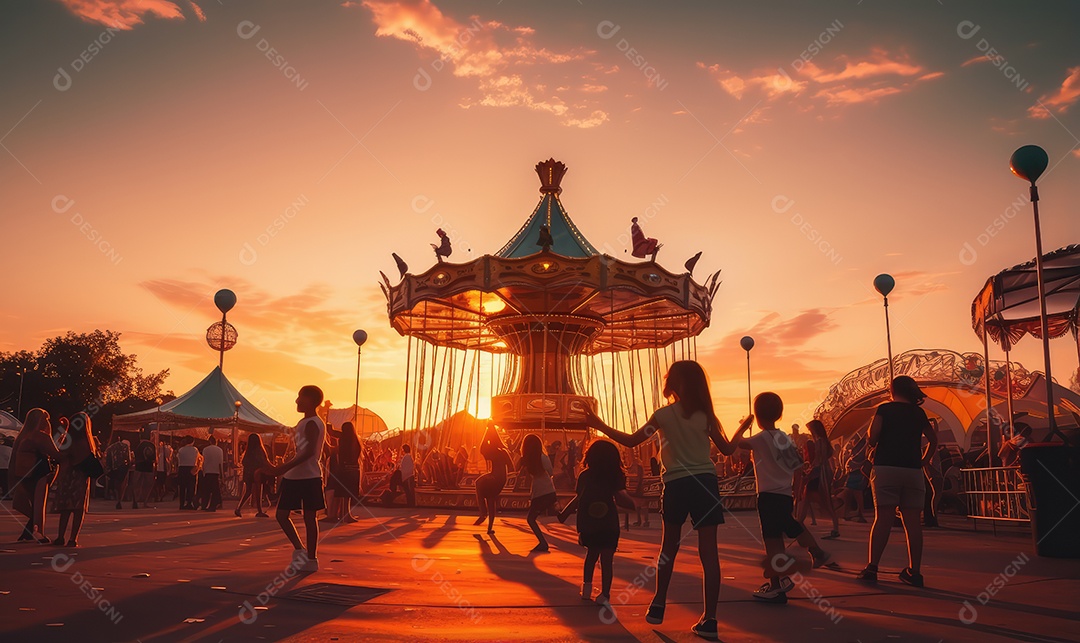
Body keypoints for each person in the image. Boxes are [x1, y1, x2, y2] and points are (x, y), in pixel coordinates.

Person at [584, 360, 749, 641]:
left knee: (668, 548)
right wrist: (742, 427)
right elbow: (728, 449)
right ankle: (710, 619)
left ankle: (659, 601)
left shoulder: (662, 415)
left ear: (672, 383)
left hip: (676, 483)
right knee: (709, 554)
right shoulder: (705, 415)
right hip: (705, 484)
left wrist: (599, 424)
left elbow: (631, 440)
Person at [728, 393, 832, 604]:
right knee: (786, 531)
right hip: (783, 494)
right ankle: (780, 581)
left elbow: (734, 443)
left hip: (767, 495)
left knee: (772, 539)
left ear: (757, 416)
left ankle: (785, 578)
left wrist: (742, 425)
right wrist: (795, 489)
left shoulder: (761, 438)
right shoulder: (784, 437)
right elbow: (798, 467)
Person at [857, 376, 938, 588]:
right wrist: (924, 460)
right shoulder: (919, 413)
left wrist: (872, 433)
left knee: (883, 519)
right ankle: (915, 572)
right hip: (912, 470)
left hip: (886, 468)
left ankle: (872, 568)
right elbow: (933, 440)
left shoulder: (885, 409)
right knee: (912, 523)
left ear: (892, 390)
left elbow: (872, 438)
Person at [559, 440, 634, 606]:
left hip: (589, 523)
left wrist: (564, 514)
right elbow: (620, 497)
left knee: (591, 556)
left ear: (590, 456)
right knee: (607, 560)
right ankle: (605, 594)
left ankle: (586, 588)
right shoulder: (615, 476)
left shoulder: (585, 476)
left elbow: (578, 498)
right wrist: (633, 504)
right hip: (609, 523)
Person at [260, 385, 326, 573]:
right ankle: (301, 551)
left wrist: (280, 469)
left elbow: (309, 452)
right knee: (284, 515)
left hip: (306, 476)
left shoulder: (312, 422)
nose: (297, 401)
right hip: (298, 475)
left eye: (300, 397)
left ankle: (311, 558)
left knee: (308, 517)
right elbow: (308, 451)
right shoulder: (306, 423)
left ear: (312, 400)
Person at [12, 409, 60, 543]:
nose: (47, 422)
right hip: (39, 472)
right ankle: (39, 532)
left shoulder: (22, 436)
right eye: (45, 419)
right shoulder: (42, 436)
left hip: (22, 474)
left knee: (32, 505)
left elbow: (13, 460)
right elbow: (56, 454)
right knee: (39, 505)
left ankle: (28, 532)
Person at [53, 412, 99, 547]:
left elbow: (62, 459)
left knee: (65, 509)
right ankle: (73, 538)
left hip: (68, 476)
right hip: (82, 477)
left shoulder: (68, 441)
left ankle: (60, 536)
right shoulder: (88, 443)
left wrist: (58, 478)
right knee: (78, 509)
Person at [796, 420, 841, 540]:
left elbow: (819, 459)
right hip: (823, 472)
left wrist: (810, 470)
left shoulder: (820, 442)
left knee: (817, 498)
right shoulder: (824, 441)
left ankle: (799, 523)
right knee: (810, 497)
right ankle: (799, 522)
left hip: (819, 473)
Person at [518, 434, 557, 553]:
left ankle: (543, 542)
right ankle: (543, 541)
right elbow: (550, 472)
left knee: (531, 519)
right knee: (534, 517)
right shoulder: (542, 458)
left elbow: (518, 472)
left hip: (540, 493)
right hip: (548, 490)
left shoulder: (528, 459)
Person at [474, 423, 513, 535]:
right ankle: (489, 528)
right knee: (490, 497)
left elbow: (482, 448)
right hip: (501, 478)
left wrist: (487, 431)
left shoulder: (492, 451)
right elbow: (511, 467)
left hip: (495, 477)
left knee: (478, 483)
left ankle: (482, 513)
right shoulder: (503, 451)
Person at [327, 421, 361, 522]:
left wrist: (326, 443)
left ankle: (334, 514)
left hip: (344, 469)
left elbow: (335, 450)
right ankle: (346, 514)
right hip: (354, 470)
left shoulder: (344, 440)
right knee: (347, 495)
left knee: (339, 493)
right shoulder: (356, 441)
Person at [236, 433, 270, 518]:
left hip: (248, 474)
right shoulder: (259, 450)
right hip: (257, 473)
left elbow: (244, 462)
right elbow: (264, 462)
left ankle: (238, 508)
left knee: (248, 492)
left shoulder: (248, 452)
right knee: (258, 492)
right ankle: (259, 511)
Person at [837, 435, 869, 523]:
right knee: (851, 494)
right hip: (853, 473)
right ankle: (848, 513)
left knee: (856, 494)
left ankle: (859, 514)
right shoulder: (855, 451)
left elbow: (859, 459)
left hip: (857, 473)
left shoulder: (859, 452)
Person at [103, 435, 132, 510]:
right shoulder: (125, 446)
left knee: (117, 485)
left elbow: (107, 460)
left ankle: (118, 499)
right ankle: (120, 499)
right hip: (124, 467)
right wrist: (128, 464)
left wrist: (108, 469)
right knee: (123, 484)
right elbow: (129, 458)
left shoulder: (110, 448)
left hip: (114, 468)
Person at [131, 431, 156, 509]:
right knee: (147, 486)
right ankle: (144, 502)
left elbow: (134, 456)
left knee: (137, 484)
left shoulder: (138, 445)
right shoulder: (152, 445)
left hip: (138, 466)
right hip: (149, 467)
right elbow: (154, 459)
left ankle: (135, 501)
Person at [198, 436, 224, 511]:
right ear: (216, 442)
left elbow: (203, 461)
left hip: (207, 472)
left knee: (206, 490)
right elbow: (220, 463)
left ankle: (204, 505)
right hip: (216, 472)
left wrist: (203, 471)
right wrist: (222, 475)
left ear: (209, 441)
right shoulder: (220, 450)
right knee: (215, 490)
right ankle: (213, 505)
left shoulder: (205, 450)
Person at [176, 436, 199, 510]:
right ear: (192, 442)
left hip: (182, 468)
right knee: (191, 487)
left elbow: (178, 459)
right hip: (191, 468)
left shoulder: (181, 450)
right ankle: (189, 503)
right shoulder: (195, 449)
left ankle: (181, 504)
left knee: (182, 487)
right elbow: (197, 459)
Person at [152, 438, 173, 504]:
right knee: (158, 484)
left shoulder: (167, 449)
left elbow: (169, 457)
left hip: (163, 470)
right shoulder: (158, 450)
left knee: (161, 484)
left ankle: (160, 496)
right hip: (159, 469)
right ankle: (158, 496)